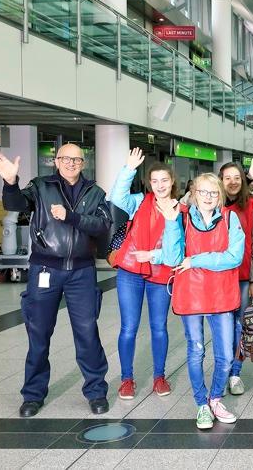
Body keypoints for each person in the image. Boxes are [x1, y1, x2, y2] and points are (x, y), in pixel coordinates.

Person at [0, 145, 111, 418]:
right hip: (45, 268)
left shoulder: (95, 192)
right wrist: (10, 182)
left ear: (83, 162)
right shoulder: (40, 187)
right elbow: (15, 204)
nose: (71, 163)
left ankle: (96, 392)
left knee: (87, 334)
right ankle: (32, 395)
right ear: (56, 161)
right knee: (38, 334)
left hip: (82, 272)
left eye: (76, 159)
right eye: (65, 158)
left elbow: (102, 226)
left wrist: (72, 217)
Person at [154, 173, 245, 430]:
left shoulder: (230, 218)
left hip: (221, 295)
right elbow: (173, 258)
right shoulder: (181, 217)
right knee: (196, 351)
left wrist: (196, 260)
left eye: (214, 193)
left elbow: (234, 257)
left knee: (226, 355)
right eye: (203, 192)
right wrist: (171, 223)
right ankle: (201, 404)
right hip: (191, 294)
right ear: (194, 194)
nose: (208, 197)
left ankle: (216, 398)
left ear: (220, 196)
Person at [109, 148, 177, 401]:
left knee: (159, 327)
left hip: (160, 273)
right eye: (155, 181)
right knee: (129, 327)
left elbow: (176, 248)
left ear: (172, 182)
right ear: (149, 183)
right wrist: (128, 170)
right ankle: (127, 379)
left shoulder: (179, 209)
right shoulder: (138, 202)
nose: (160, 185)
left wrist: (154, 256)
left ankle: (159, 377)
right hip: (130, 271)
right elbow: (117, 196)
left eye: (164, 180)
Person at [219, 159, 253, 395]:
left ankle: (235, 373)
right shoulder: (212, 203)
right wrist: (248, 178)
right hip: (216, 277)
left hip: (243, 276)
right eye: (227, 178)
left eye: (237, 178)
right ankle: (222, 369)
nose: (232, 182)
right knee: (222, 326)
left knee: (239, 326)